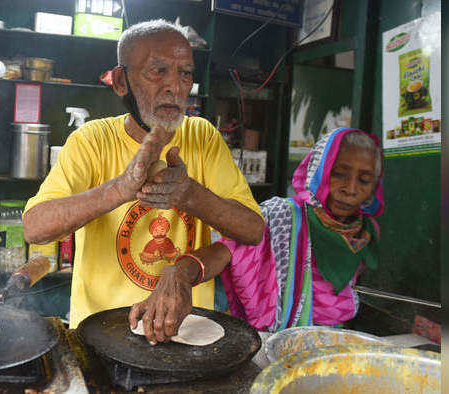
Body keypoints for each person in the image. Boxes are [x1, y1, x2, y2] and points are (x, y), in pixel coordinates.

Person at [22, 19, 264, 329]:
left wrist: (189, 194)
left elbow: (253, 230)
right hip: (101, 333)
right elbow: (35, 228)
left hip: (184, 332)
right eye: (158, 71)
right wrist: (120, 189)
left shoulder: (203, 137)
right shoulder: (91, 141)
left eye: (185, 73)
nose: (174, 87)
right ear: (121, 81)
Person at [130, 128, 384, 342]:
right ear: (318, 170)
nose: (350, 189)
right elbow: (224, 252)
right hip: (281, 342)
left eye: (364, 180)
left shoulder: (365, 232)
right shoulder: (282, 216)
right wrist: (180, 273)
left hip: (336, 342)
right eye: (339, 174)